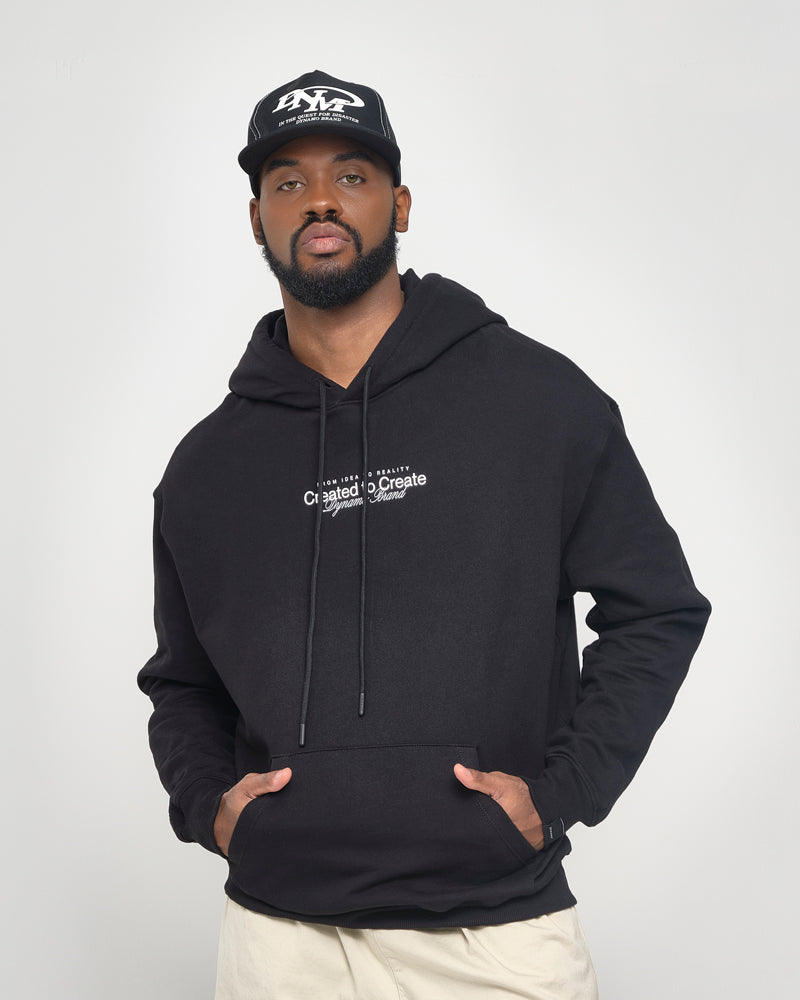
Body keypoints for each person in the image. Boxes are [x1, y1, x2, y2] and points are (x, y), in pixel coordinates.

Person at [138, 69, 711, 1000]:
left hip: (496, 934)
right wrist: (212, 809)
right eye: (287, 181)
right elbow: (182, 683)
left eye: (351, 175)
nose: (319, 199)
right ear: (256, 219)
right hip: (279, 942)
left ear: (400, 204)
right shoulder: (207, 467)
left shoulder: (536, 401)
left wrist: (560, 795)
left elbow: (657, 610)